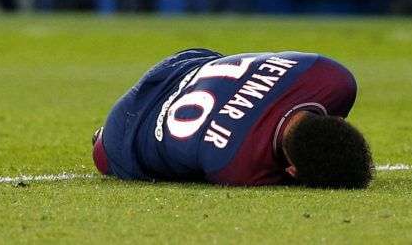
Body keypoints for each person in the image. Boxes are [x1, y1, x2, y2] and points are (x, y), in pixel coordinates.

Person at [92, 49, 374, 188]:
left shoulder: (333, 79)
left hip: (188, 63)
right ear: (292, 172)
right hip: (127, 130)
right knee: (103, 156)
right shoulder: (238, 166)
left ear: (337, 120)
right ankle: (100, 138)